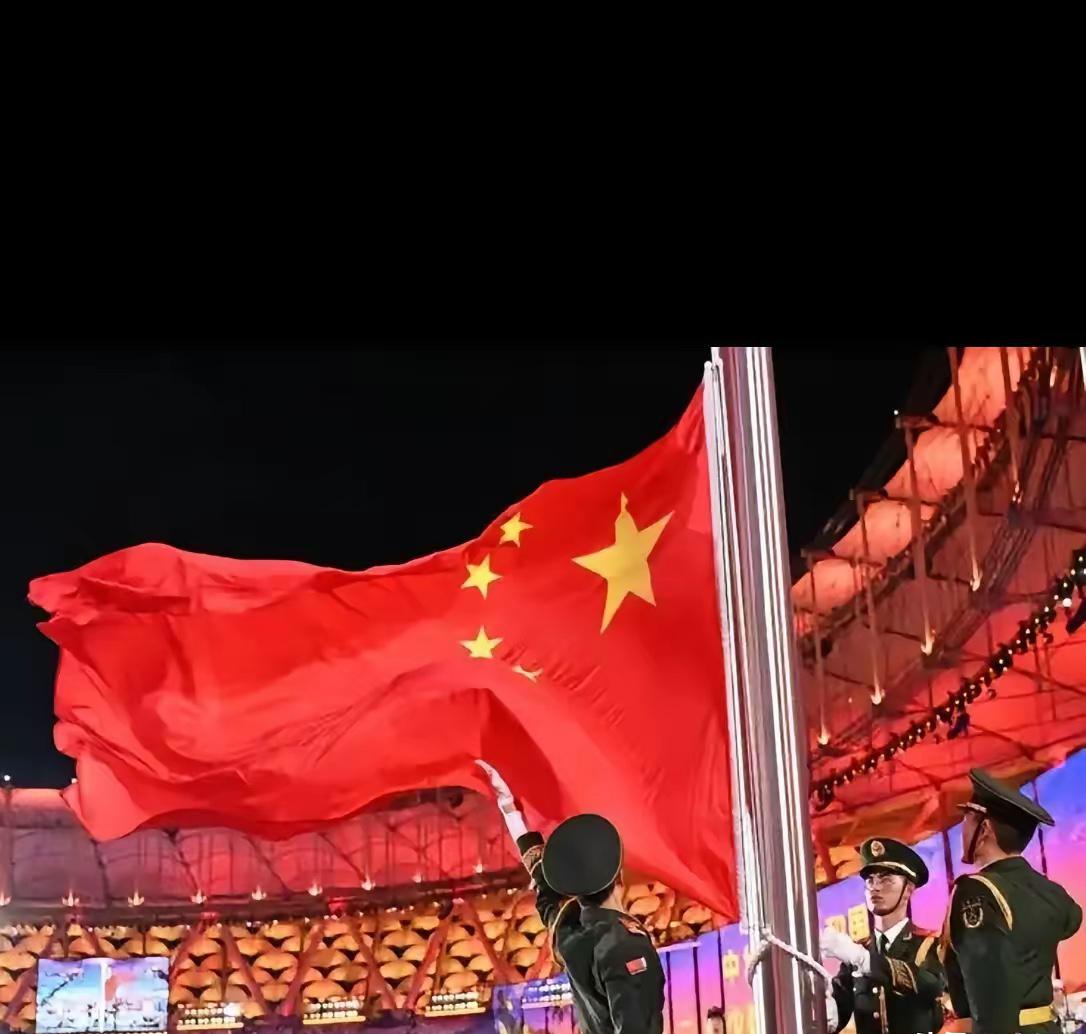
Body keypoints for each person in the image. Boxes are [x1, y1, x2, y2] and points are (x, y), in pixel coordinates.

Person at [476, 761, 665, 1034]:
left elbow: (542, 880)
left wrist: (509, 809)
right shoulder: (624, 943)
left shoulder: (569, 930)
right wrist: (510, 808)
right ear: (620, 877)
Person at [941, 768, 1083, 1034]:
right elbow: (1072, 919)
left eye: (967, 818)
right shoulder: (1051, 892)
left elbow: (988, 988)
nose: (963, 827)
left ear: (984, 829)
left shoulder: (976, 891)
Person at [819, 836, 945, 1034]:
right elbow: (835, 1017)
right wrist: (823, 1002)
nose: (875, 887)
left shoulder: (929, 945)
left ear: (908, 890)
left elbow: (931, 985)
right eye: (870, 880)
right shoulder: (858, 953)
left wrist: (864, 960)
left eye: (886, 880)